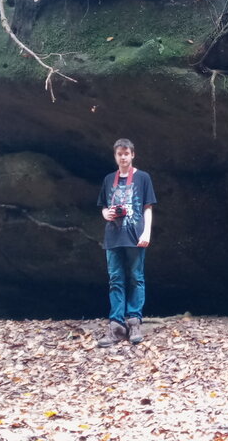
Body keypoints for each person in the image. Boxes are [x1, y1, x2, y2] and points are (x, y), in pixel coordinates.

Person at [96, 138, 157, 347]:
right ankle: (116, 325)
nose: (123, 157)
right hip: (113, 236)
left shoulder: (142, 178)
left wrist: (146, 232)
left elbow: (148, 207)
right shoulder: (108, 180)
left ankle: (134, 322)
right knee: (115, 278)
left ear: (133, 155)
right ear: (115, 156)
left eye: (126, 153)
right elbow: (103, 206)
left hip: (135, 235)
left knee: (135, 277)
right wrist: (107, 214)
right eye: (119, 154)